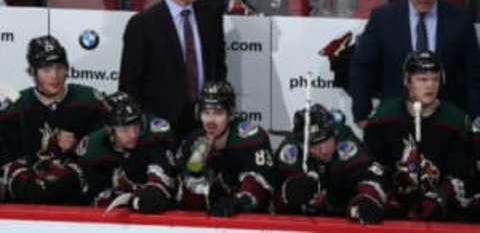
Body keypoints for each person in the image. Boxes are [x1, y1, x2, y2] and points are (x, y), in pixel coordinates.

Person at [350, 0, 480, 126]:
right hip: (394, 119)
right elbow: (362, 68)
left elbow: (474, 74)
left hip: (447, 121)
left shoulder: (460, 19)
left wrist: (475, 117)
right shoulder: (383, 19)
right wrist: (362, 114)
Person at [118, 0, 227, 138]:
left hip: (205, 125)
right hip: (159, 129)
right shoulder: (143, 24)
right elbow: (130, 86)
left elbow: (219, 69)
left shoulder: (211, 17)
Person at [363, 51, 471, 220]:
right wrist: (371, 196)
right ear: (407, 81)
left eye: (435, 79)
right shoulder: (383, 118)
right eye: (422, 79)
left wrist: (440, 196)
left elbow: (462, 174)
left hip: (442, 216)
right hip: (393, 213)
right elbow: (374, 167)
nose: (430, 86)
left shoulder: (455, 121)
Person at [0, 35, 106, 204]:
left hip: (76, 192)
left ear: (67, 69)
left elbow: (111, 146)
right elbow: (6, 158)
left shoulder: (90, 102)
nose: (54, 76)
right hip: (29, 191)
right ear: (32, 73)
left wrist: (78, 146)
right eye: (46, 70)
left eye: (59, 68)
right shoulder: (16, 107)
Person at [274, 103, 386, 224]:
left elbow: (373, 176)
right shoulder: (290, 151)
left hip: (345, 221)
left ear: (334, 133)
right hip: (302, 222)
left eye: (326, 140)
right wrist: (288, 193)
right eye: (314, 145)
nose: (324, 150)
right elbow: (273, 196)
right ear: (302, 145)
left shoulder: (346, 143)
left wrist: (367, 198)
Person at [176, 81, 275, 217]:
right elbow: (187, 202)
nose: (211, 120)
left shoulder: (251, 138)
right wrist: (196, 169)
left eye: (218, 113)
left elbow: (260, 187)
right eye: (206, 112)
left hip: (252, 221)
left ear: (230, 114)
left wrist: (236, 202)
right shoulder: (192, 142)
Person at [77, 91, 178, 213]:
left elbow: (159, 193)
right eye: (125, 129)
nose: (133, 135)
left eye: (136, 126)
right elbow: (94, 198)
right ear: (109, 130)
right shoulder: (93, 148)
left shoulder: (154, 136)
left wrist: (133, 200)